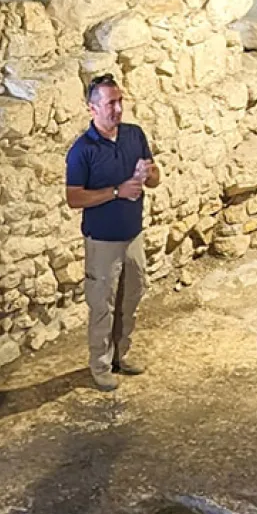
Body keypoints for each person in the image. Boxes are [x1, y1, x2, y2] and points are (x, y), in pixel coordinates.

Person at [64, 74, 160, 391]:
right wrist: (118, 192)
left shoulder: (134, 135)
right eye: (110, 103)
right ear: (92, 108)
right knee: (102, 305)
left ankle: (122, 355)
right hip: (102, 240)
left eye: (120, 102)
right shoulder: (82, 150)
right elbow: (74, 197)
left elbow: (155, 178)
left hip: (133, 234)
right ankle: (100, 364)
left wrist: (149, 174)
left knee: (130, 297)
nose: (117, 109)